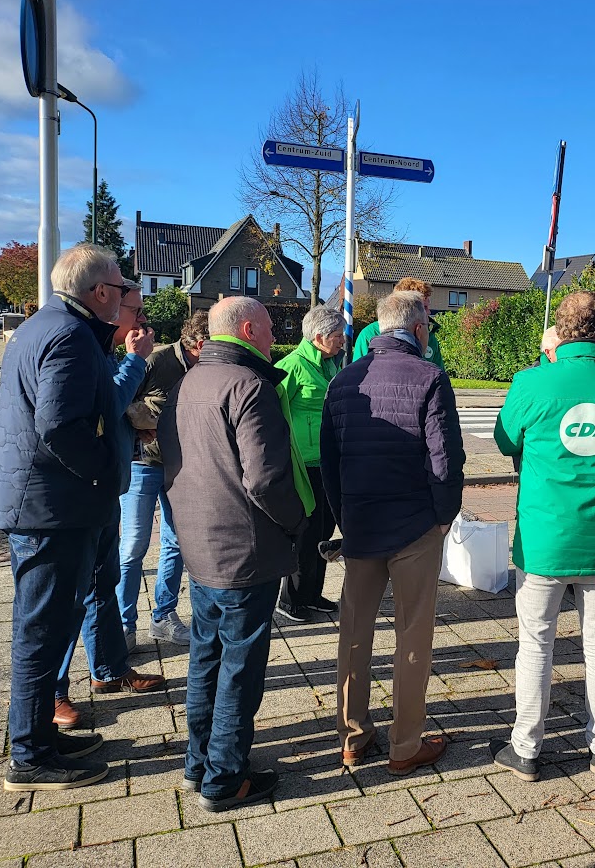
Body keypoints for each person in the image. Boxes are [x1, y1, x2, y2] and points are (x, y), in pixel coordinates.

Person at [0, 242, 131, 791]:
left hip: (41, 501)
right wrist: (103, 473)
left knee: (48, 622)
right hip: (51, 507)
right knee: (42, 629)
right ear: (97, 292)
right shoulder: (69, 334)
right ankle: (30, 755)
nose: (125, 295)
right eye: (120, 287)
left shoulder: (41, 326)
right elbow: (59, 425)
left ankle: (39, 733)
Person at [490, 292, 595, 782]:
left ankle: (527, 748)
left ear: (559, 331)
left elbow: (504, 442)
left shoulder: (531, 382)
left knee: (535, 645)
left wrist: (545, 362)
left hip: (542, 541)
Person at [159, 296, 309, 812]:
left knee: (207, 657)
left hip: (199, 543)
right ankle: (225, 777)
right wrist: (297, 523)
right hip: (244, 548)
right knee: (241, 666)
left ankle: (197, 763)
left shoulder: (186, 383)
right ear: (247, 329)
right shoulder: (249, 386)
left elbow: (171, 463)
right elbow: (265, 478)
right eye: (269, 329)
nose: (274, 338)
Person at [321, 290, 465, 776]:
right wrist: (444, 517)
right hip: (414, 525)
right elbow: (445, 459)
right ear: (420, 327)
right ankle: (404, 745)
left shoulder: (342, 381)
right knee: (412, 636)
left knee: (354, 636)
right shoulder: (430, 376)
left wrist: (345, 516)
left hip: (361, 524)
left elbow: (331, 464)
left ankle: (352, 737)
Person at [53, 283, 165, 731]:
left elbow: (108, 416)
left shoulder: (103, 349)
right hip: (79, 494)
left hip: (105, 491)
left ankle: (109, 670)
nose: (139, 319)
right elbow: (100, 407)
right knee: (68, 597)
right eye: (133, 309)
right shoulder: (81, 345)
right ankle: (54, 693)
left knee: (104, 582)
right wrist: (137, 360)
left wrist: (132, 435)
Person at [119, 310, 209, 650]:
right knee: (133, 546)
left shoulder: (205, 368)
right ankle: (125, 626)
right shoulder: (155, 361)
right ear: (200, 345)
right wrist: (155, 417)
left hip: (179, 466)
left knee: (176, 542)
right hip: (143, 464)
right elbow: (121, 402)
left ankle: (164, 617)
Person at [274, 306, 345, 621]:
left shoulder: (331, 363)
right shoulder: (291, 367)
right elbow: (272, 412)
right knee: (304, 534)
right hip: (302, 464)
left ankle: (313, 595)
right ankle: (290, 600)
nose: (343, 340)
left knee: (323, 533)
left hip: (329, 461)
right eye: (337, 335)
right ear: (319, 337)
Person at [351, 277, 445, 368]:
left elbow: (439, 376)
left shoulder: (430, 337)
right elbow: (358, 374)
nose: (429, 312)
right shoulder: (369, 335)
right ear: (406, 306)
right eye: (424, 307)